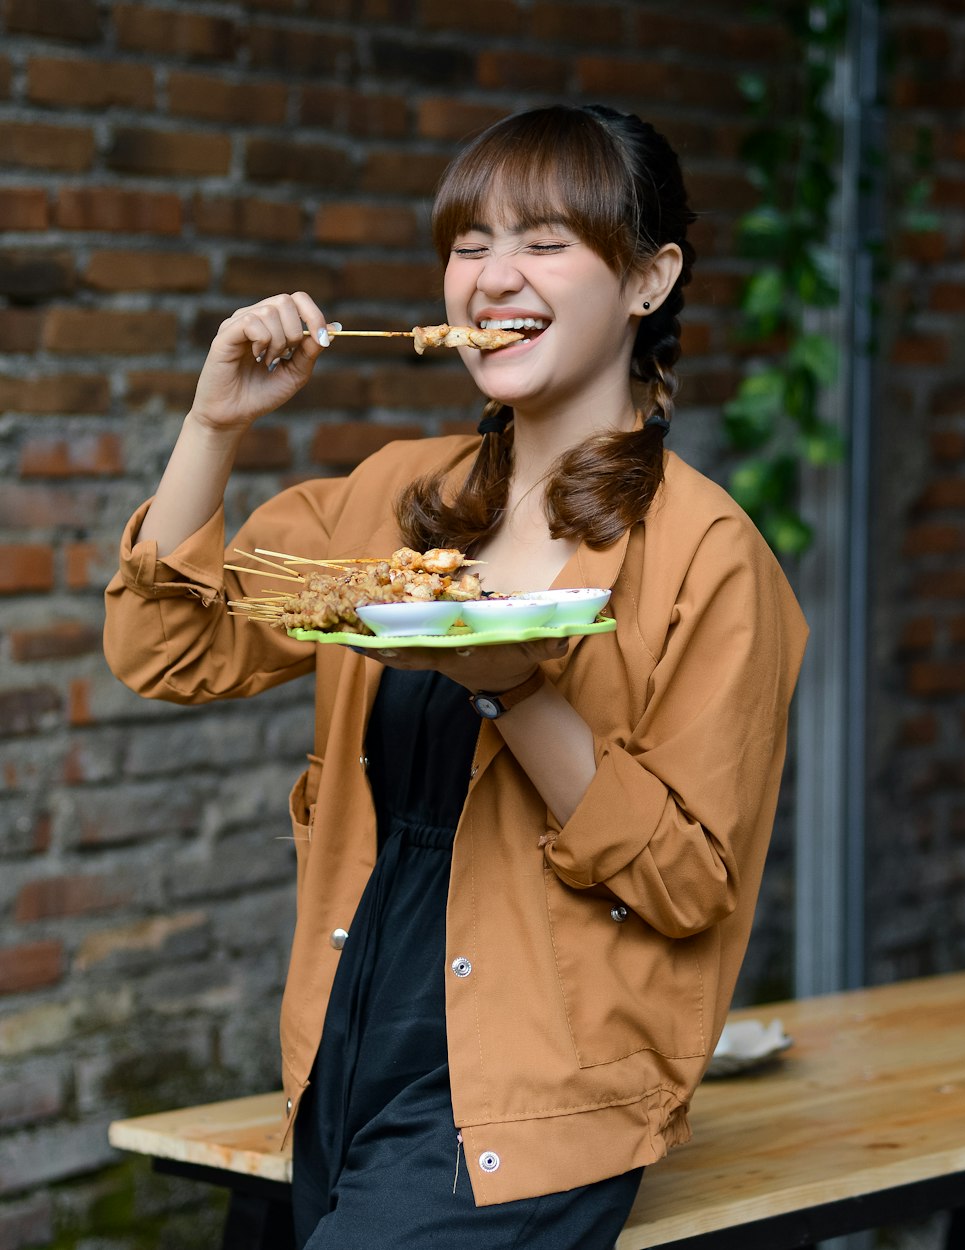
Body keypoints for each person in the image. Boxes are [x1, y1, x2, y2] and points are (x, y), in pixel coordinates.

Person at [104, 104, 808, 1249]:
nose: (491, 277)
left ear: (648, 278)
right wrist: (211, 425)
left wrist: (518, 688)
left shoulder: (708, 556)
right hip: (347, 1038)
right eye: (468, 242)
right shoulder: (395, 497)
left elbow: (687, 883)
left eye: (543, 239)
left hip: (536, 1089)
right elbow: (166, 650)